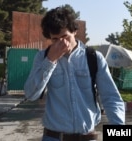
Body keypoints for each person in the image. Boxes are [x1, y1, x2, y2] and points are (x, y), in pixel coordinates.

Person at [24, 6, 125, 141]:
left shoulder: (93, 57)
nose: (62, 43)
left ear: (75, 31)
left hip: (87, 136)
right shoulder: (42, 57)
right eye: (55, 39)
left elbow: (111, 98)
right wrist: (50, 60)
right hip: (53, 137)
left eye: (65, 36)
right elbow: (31, 95)